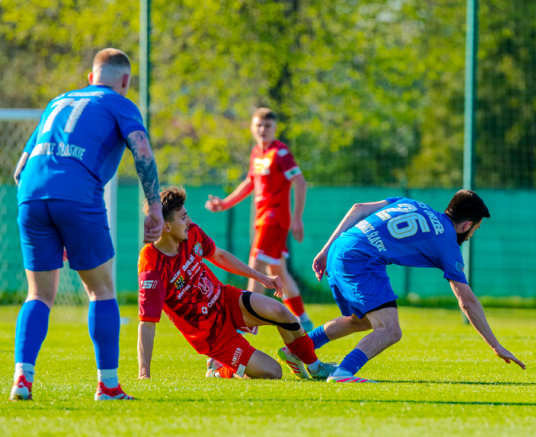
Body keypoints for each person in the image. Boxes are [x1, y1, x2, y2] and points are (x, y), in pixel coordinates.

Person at [10, 48, 164, 401]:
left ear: (90, 77)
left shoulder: (58, 102)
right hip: (78, 194)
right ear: (124, 81)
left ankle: (22, 378)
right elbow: (141, 150)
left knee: (39, 294)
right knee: (102, 290)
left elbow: (19, 171)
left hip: (31, 196)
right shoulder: (120, 102)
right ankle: (108, 386)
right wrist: (154, 206)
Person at [305, 190, 525, 383]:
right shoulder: (447, 245)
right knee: (390, 330)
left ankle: (298, 350)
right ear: (467, 226)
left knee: (360, 321)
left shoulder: (412, 203)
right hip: (362, 259)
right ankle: (343, 373)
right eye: (475, 229)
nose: (471, 234)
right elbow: (467, 301)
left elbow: (358, 208)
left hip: (339, 247)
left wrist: (326, 249)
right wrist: (496, 345)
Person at [137, 186, 335, 381]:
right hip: (210, 333)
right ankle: (218, 369)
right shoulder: (152, 265)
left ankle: (316, 368)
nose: (189, 221)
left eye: (186, 214)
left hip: (225, 299)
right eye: (183, 217)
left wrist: (260, 277)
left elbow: (220, 256)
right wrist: (144, 374)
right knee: (273, 372)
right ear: (166, 227)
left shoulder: (192, 233)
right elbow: (147, 323)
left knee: (281, 312)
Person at [205, 108, 312, 331]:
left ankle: (248, 320)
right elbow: (250, 182)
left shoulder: (280, 153)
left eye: (268, 126)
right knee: (278, 271)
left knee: (255, 264)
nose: (263, 130)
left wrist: (298, 219)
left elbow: (300, 182)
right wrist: (224, 203)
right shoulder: (257, 153)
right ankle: (303, 318)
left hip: (273, 220)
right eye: (259, 125)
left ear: (275, 129)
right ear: (252, 127)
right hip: (264, 219)